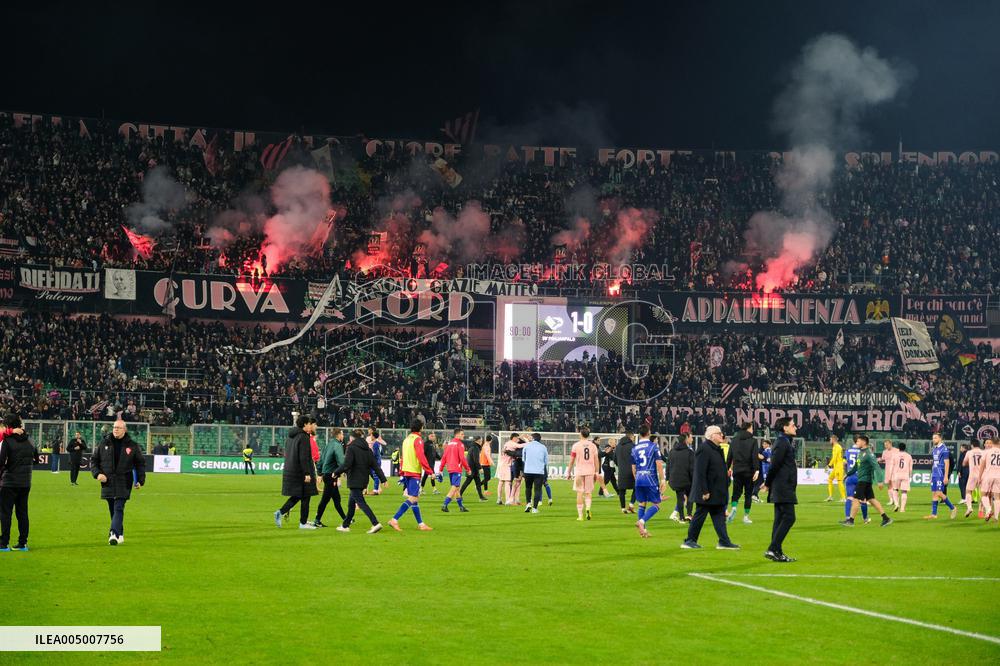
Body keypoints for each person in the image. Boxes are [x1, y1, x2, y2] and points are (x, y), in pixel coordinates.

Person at [681, 425, 739, 550]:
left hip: (716, 491)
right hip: (707, 492)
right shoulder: (704, 449)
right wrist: (705, 490)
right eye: (719, 433)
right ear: (712, 436)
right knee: (700, 515)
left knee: (718, 515)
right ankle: (690, 540)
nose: (722, 435)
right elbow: (700, 472)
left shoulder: (716, 449)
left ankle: (724, 541)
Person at [91, 419, 146, 545]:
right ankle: (120, 533)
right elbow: (94, 461)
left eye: (118, 428)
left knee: (119, 507)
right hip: (108, 481)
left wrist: (140, 480)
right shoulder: (103, 443)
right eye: (114, 427)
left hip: (124, 481)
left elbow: (140, 463)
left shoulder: (132, 445)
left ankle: (113, 533)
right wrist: (97, 474)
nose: (116, 429)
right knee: (113, 509)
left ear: (124, 430)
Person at [332, 429, 386, 533]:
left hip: (354, 480)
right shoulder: (368, 449)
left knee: (361, 503)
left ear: (352, 438)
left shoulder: (351, 448)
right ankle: (345, 525)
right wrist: (383, 479)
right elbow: (375, 466)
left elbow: (347, 464)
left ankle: (375, 523)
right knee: (351, 504)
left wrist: (336, 472)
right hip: (363, 481)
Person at [761, 417, 798, 562]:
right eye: (793, 425)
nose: (795, 427)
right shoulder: (782, 443)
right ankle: (772, 548)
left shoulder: (784, 442)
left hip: (782, 486)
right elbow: (774, 465)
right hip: (782, 487)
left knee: (779, 519)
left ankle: (777, 551)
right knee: (789, 517)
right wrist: (768, 483)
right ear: (785, 428)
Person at [0, 415, 38, 552]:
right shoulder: (30, 440)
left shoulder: (7, 441)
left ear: (9, 427)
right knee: (22, 513)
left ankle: (3, 544)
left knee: (5, 513)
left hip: (9, 482)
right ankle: (23, 543)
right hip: (25, 482)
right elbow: (37, 459)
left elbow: (1, 462)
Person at [274, 415, 318, 530]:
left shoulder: (291, 436)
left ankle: (281, 512)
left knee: (298, 495)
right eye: (309, 424)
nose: (310, 425)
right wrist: (307, 473)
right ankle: (303, 523)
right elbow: (303, 457)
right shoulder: (303, 437)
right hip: (300, 472)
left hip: (291, 469)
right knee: (306, 496)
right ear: (304, 424)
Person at [389, 421, 434, 532]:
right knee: (413, 497)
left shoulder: (406, 439)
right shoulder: (417, 440)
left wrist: (401, 472)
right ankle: (394, 519)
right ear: (421, 428)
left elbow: (403, 456)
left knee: (415, 499)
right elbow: (421, 456)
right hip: (414, 472)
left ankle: (421, 524)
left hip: (407, 471)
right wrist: (429, 471)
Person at [839, 435, 893, 527]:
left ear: (864, 442)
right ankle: (886, 518)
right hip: (864, 481)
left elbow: (877, 467)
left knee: (855, 499)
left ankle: (851, 521)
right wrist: (847, 474)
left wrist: (880, 481)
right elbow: (856, 466)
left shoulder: (869, 454)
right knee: (872, 500)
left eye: (858, 441)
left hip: (864, 481)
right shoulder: (861, 452)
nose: (857, 443)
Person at [631, 425, 668, 538]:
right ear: (648, 433)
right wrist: (662, 479)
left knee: (642, 503)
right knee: (657, 504)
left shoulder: (634, 448)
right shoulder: (653, 446)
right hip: (650, 478)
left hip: (638, 479)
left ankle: (643, 531)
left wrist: (637, 478)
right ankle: (641, 522)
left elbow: (633, 467)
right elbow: (659, 464)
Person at [313, 427, 347, 527]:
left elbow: (321, 459)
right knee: (325, 499)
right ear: (339, 435)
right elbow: (341, 461)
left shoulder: (329, 444)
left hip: (327, 474)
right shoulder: (337, 445)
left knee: (336, 498)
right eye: (342, 434)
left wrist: (319, 472)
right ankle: (317, 520)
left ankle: (346, 519)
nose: (343, 436)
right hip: (331, 475)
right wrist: (344, 471)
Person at [727, 422, 759, 524]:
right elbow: (754, 456)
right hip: (749, 471)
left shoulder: (734, 440)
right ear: (749, 428)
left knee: (736, 492)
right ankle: (745, 517)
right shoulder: (753, 441)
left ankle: (734, 508)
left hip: (737, 470)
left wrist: (727, 468)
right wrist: (757, 470)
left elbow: (729, 456)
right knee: (748, 494)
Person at [566, 426, 600, 521]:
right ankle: (588, 509)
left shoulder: (576, 445)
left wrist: (568, 472)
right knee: (588, 493)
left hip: (580, 471)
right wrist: (597, 472)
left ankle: (580, 516)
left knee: (579, 492)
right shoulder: (593, 446)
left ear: (580, 434)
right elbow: (596, 460)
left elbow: (572, 460)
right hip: (590, 471)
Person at [925, 433, 958, 520]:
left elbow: (947, 463)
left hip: (941, 473)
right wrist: (931, 475)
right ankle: (934, 514)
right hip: (935, 473)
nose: (933, 439)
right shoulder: (934, 449)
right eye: (933, 438)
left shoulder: (944, 449)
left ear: (940, 439)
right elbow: (934, 463)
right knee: (934, 493)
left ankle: (953, 508)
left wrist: (946, 476)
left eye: (935, 438)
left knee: (939, 493)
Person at [440, 428, 472, 513]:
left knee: (457, 488)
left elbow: (444, 457)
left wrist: (441, 468)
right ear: (457, 435)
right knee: (454, 487)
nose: (463, 435)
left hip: (450, 468)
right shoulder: (460, 444)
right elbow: (462, 458)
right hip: (456, 468)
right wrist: (467, 469)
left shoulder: (449, 444)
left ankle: (461, 507)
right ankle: (445, 504)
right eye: (462, 434)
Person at [667, 433, 695, 522]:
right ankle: (689, 515)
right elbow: (692, 468)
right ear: (686, 439)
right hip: (687, 479)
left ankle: (681, 517)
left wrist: (668, 478)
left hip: (675, 479)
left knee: (680, 498)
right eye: (690, 437)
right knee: (690, 497)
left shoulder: (672, 451)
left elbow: (668, 465)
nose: (692, 439)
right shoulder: (689, 452)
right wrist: (694, 479)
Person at [843, 438, 869, 523]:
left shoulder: (848, 451)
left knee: (849, 498)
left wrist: (846, 473)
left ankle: (847, 518)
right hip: (860, 477)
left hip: (850, 477)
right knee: (863, 499)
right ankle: (865, 519)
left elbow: (844, 463)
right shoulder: (862, 452)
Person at [522, 433, 548, 513]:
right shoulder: (543, 447)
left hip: (528, 470)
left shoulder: (527, 446)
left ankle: (528, 503)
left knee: (528, 488)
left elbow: (523, 459)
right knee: (537, 490)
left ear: (532, 438)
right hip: (538, 471)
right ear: (540, 439)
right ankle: (535, 508)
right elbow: (545, 461)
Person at [976, 437, 1000, 523]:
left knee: (983, 494)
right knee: (997, 497)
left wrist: (979, 477)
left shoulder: (987, 452)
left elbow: (982, 465)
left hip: (988, 475)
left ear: (992, 443)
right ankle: (996, 517)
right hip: (999, 476)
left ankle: (989, 509)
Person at [614, 430, 637, 514]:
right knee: (637, 487)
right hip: (632, 471)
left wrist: (620, 466)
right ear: (631, 437)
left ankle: (623, 508)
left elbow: (614, 459)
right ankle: (631, 504)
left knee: (622, 490)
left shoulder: (618, 446)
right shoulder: (633, 446)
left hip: (622, 471)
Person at [459, 436, 487, 501]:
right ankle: (459, 494)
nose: (482, 442)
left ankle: (481, 496)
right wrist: (480, 468)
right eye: (481, 440)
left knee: (477, 482)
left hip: (472, 467)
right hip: (472, 468)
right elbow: (476, 460)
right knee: (468, 482)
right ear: (478, 441)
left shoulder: (473, 447)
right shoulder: (475, 448)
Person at [962, 441, 985, 517]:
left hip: (972, 475)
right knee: (982, 494)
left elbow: (964, 463)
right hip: (982, 475)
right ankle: (981, 511)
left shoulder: (969, 452)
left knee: (968, 491)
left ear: (972, 445)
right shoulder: (983, 452)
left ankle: (969, 507)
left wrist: (970, 463)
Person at [891, 443, 914, 513]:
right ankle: (902, 509)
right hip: (905, 475)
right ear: (905, 448)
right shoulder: (908, 456)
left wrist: (891, 475)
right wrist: (910, 475)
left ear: (899, 448)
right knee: (904, 492)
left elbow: (892, 466)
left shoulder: (895, 455)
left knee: (895, 489)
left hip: (896, 474)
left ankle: (896, 504)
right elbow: (910, 468)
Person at [496, 434, 517, 505]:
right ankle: (507, 500)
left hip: (501, 464)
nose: (517, 440)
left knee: (501, 482)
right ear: (513, 438)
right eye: (517, 439)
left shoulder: (506, 444)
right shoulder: (511, 444)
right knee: (507, 482)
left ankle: (499, 499)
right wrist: (528, 442)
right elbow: (520, 446)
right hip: (506, 465)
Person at [825, 435, 846, 502]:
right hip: (836, 467)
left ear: (833, 440)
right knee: (830, 479)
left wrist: (829, 465)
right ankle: (830, 496)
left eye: (830, 439)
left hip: (838, 467)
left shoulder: (836, 447)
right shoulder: (837, 447)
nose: (830, 441)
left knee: (840, 481)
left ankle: (843, 498)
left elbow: (834, 458)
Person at [879, 440, 899, 509]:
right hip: (887, 470)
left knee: (894, 485)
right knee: (888, 485)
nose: (886, 446)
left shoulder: (897, 450)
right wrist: (878, 459)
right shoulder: (884, 452)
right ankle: (891, 500)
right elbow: (883, 459)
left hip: (895, 470)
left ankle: (895, 500)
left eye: (887, 445)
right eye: (885, 445)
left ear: (890, 444)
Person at [367, 428, 386, 495]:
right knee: (374, 474)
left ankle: (375, 490)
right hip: (378, 461)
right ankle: (377, 488)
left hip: (375, 461)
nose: (370, 437)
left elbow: (374, 454)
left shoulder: (375, 444)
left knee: (375, 475)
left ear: (374, 437)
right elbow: (382, 453)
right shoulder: (378, 443)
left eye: (371, 436)